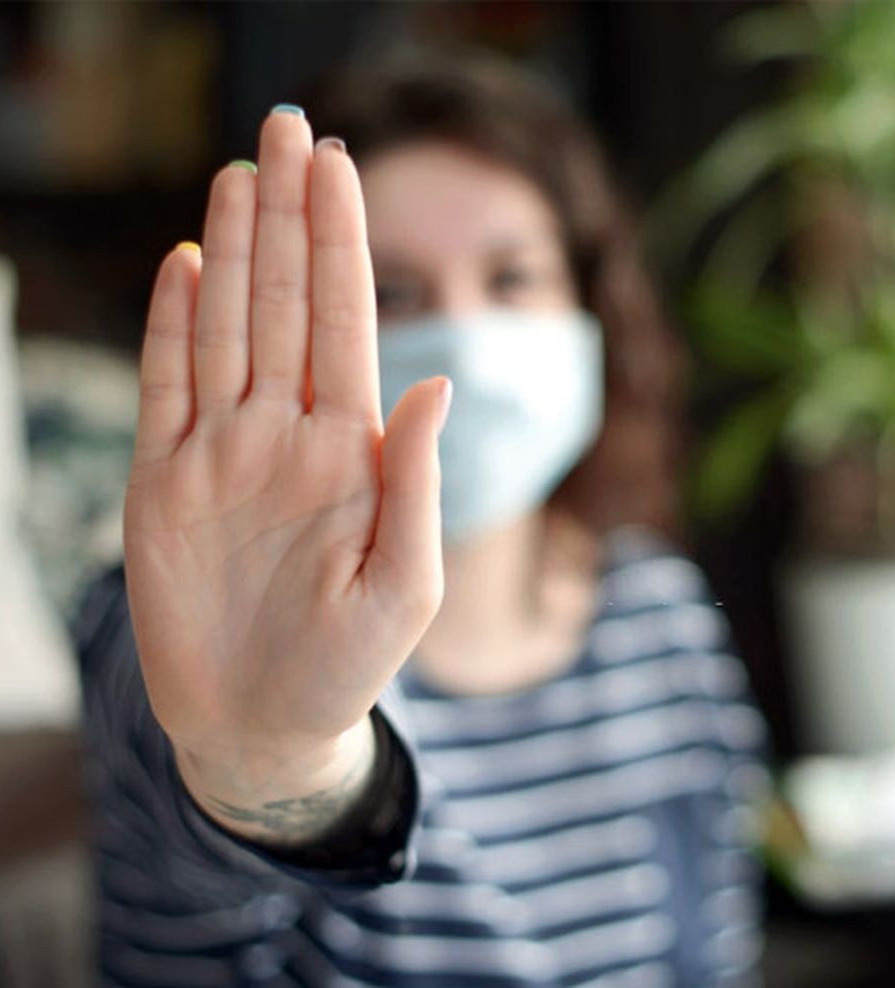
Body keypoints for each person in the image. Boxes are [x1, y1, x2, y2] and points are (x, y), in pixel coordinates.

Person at [73, 53, 768, 987]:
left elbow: (717, 954)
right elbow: (226, 817)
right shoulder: (190, 631)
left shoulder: (656, 614)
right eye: (391, 294)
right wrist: (276, 767)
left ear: (594, 306)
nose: (465, 343)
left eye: (513, 278)